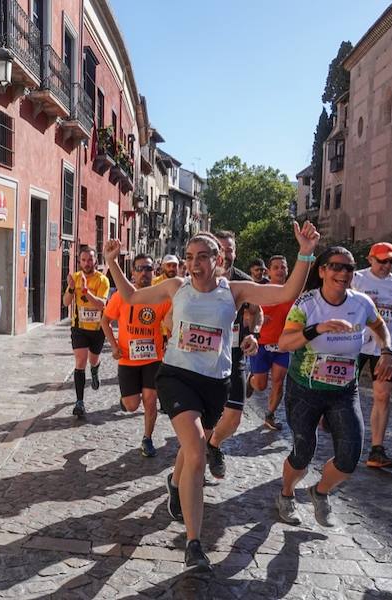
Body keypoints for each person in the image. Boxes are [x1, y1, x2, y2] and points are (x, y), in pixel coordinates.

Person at [103, 221, 319, 572]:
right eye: (190, 257)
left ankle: (175, 482)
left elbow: (286, 292)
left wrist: (305, 252)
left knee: (193, 449)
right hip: (176, 377)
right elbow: (129, 296)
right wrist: (112, 261)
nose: (195, 264)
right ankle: (194, 543)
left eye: (203, 257)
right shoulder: (176, 286)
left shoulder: (233, 291)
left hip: (213, 382)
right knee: (197, 451)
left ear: (218, 259)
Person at [275, 247, 392, 528]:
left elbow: (379, 326)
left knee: (350, 456)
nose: (343, 273)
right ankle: (286, 494)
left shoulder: (362, 303)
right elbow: (284, 343)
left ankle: (320, 491)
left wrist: (388, 351)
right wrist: (318, 329)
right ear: (322, 271)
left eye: (349, 268)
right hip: (305, 387)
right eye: (336, 267)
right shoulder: (306, 304)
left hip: (343, 390)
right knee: (303, 453)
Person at [205, 231, 263, 479]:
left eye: (230, 249)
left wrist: (255, 333)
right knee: (203, 419)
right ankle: (190, 471)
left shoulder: (244, 282)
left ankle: (214, 445)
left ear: (235, 253)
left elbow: (258, 313)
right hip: (203, 358)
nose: (226, 254)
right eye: (221, 248)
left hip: (235, 356)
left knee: (233, 418)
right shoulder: (200, 279)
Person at [101, 253, 171, 457]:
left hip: (153, 358)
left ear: (154, 272)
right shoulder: (121, 296)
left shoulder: (162, 297)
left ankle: (147, 439)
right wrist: (113, 346)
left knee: (150, 399)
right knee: (132, 405)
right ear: (133, 272)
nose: (144, 273)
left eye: (148, 269)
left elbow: (170, 321)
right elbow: (105, 321)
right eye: (140, 269)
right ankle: (125, 401)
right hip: (127, 359)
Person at [352, 242, 392, 468]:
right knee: (342, 390)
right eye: (382, 261)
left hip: (384, 346)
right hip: (355, 343)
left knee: (383, 395)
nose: (387, 266)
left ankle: (376, 450)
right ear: (370, 259)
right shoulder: (356, 278)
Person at [249, 255, 295, 431]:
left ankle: (270, 414)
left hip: (282, 345)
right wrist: (259, 318)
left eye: (283, 267)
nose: (280, 270)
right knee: (260, 385)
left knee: (278, 380)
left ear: (287, 270)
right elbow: (248, 314)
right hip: (261, 344)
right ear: (269, 271)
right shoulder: (262, 291)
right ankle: (251, 380)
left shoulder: (293, 291)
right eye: (276, 267)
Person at [64, 248, 110, 418]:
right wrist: (70, 288)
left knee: (93, 359)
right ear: (79, 261)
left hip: (97, 330)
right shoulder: (75, 278)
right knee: (80, 360)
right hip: (79, 328)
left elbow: (101, 305)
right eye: (83, 260)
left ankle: (95, 369)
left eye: (90, 260)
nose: (87, 263)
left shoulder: (102, 280)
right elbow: (66, 302)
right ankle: (79, 402)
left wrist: (85, 291)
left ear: (95, 261)